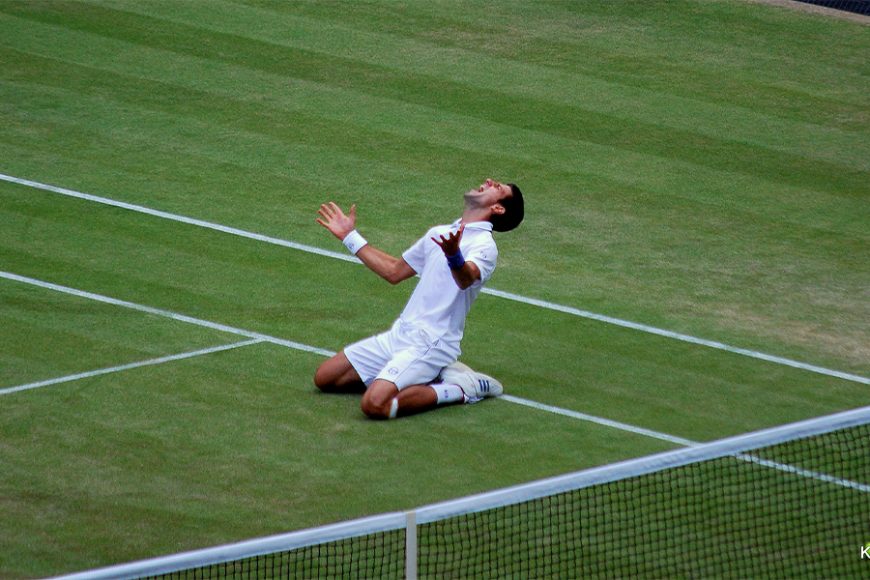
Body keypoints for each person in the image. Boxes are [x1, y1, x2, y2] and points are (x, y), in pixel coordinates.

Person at [313, 178, 524, 419]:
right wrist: (350, 236)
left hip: (433, 342)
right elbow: (394, 271)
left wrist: (454, 255)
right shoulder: (440, 233)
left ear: (498, 208)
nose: (488, 181)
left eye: (497, 187)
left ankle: (461, 388)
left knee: (374, 404)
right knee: (326, 378)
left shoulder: (484, 246)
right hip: (400, 335)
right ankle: (421, 375)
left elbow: (466, 278)